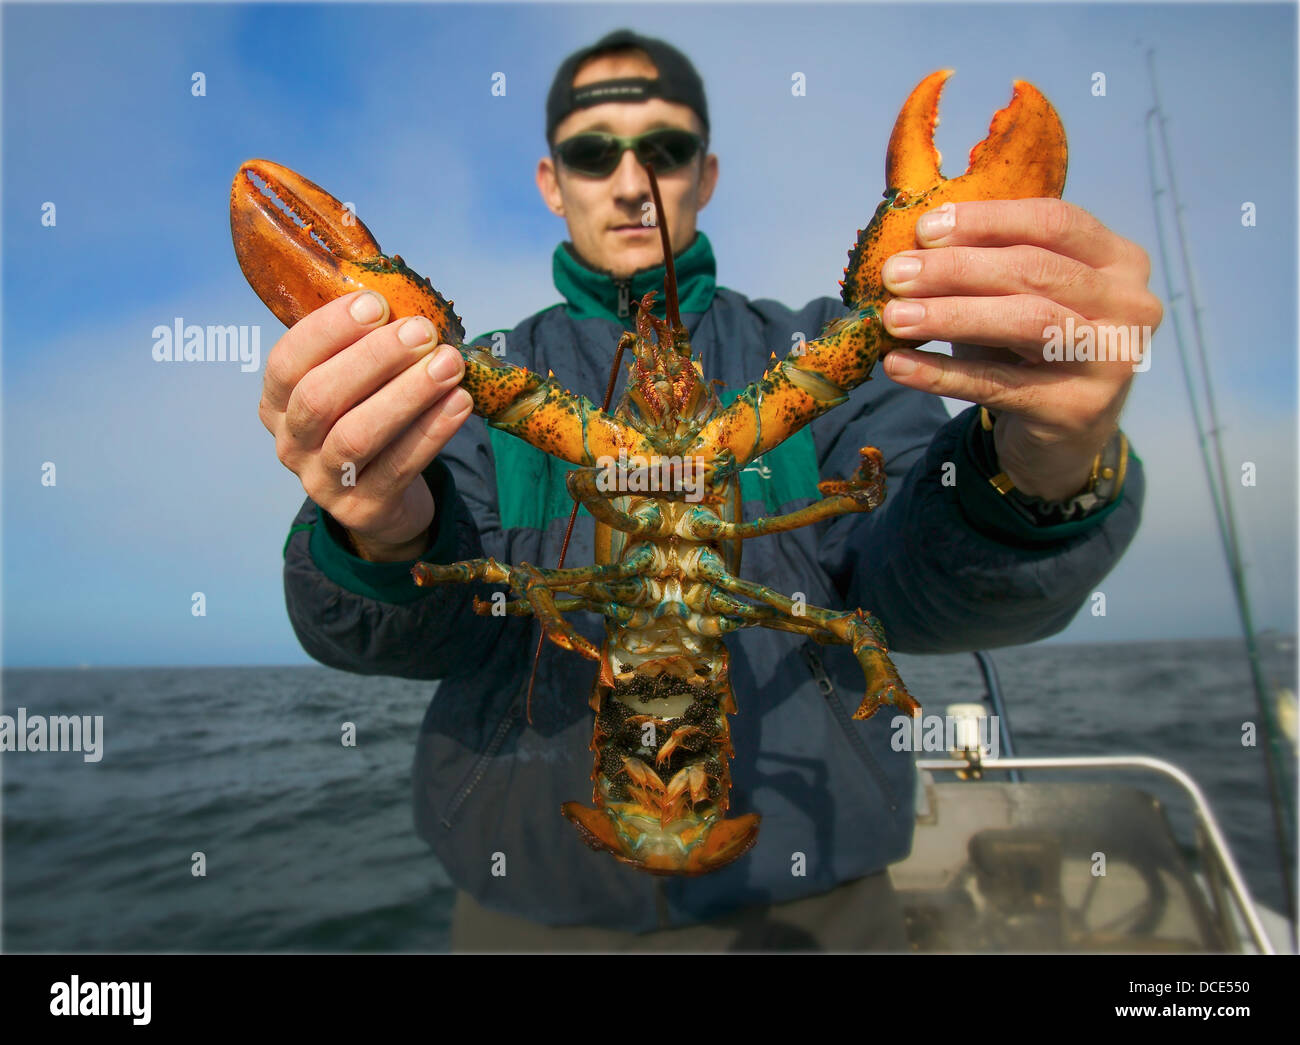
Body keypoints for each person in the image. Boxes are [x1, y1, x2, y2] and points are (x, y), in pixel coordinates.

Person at [259, 30, 1161, 950]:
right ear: (549, 178)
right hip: (527, 914)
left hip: (811, 909)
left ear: (708, 171)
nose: (628, 178)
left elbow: (921, 596)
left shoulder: (831, 353)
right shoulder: (458, 384)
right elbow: (402, 627)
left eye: (664, 148)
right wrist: (386, 532)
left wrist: (1045, 460)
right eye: (591, 150)